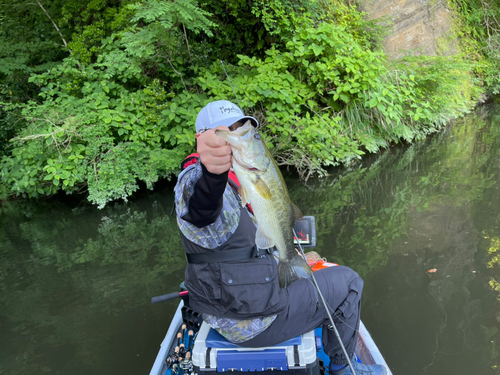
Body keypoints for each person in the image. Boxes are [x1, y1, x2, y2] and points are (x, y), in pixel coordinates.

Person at [174, 100, 387, 375]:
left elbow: (250, 239)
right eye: (223, 130)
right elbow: (201, 209)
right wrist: (212, 173)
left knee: (313, 270)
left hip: (236, 305)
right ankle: (344, 368)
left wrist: (289, 257)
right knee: (348, 282)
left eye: (241, 128)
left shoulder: (241, 177)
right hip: (252, 321)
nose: (234, 133)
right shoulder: (195, 181)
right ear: (201, 139)